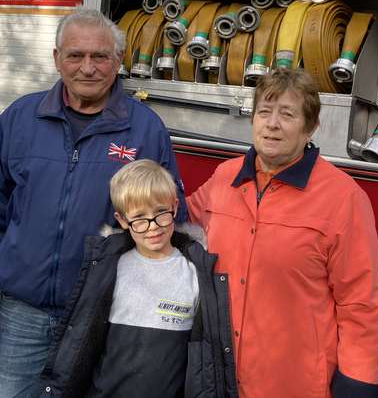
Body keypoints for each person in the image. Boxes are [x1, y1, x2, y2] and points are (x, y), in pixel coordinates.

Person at [0, 7, 187, 398]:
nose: (87, 67)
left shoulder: (145, 130)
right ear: (56, 58)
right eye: (75, 55)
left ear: (117, 62)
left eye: (100, 56)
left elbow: (167, 228)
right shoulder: (19, 119)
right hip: (21, 317)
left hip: (103, 317)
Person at [186, 68, 378, 398]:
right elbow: (178, 219)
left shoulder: (343, 198)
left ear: (310, 127)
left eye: (287, 114)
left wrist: (357, 384)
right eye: (264, 111)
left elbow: (360, 303)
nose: (272, 123)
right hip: (220, 378)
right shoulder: (225, 177)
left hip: (293, 383)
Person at [37, 159, 236, 398]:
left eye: (160, 213)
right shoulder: (109, 269)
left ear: (174, 207)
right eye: (139, 218)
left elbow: (203, 358)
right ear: (122, 220)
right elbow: (82, 344)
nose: (152, 227)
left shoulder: (195, 272)